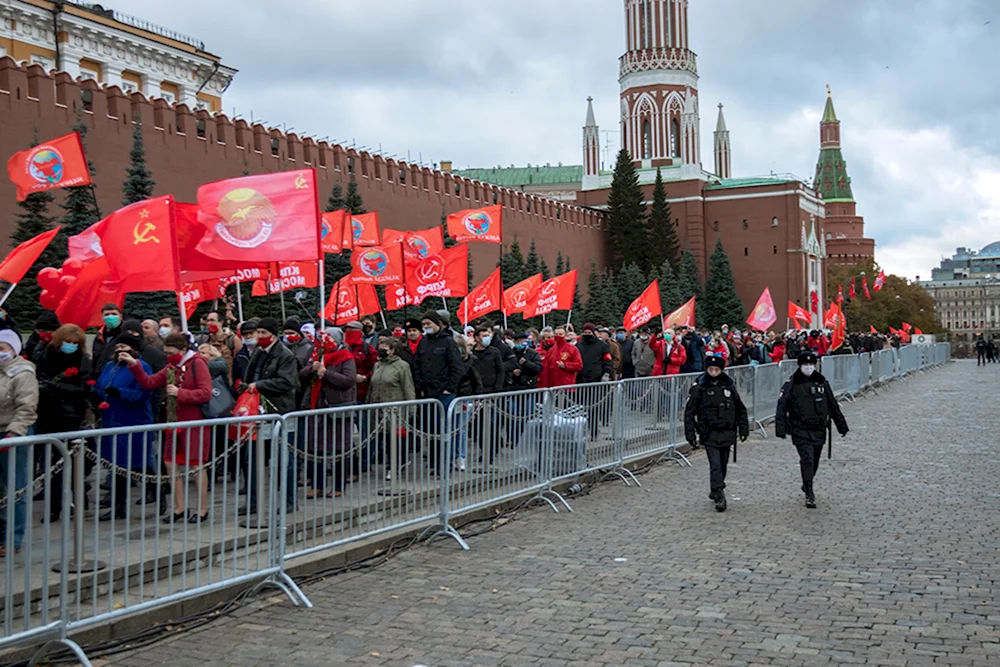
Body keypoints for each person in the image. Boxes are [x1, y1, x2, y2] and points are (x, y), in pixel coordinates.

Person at [123, 333, 213, 523]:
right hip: (174, 420)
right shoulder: (172, 367)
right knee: (170, 463)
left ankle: (202, 509)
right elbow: (150, 382)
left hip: (194, 421)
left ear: (183, 350)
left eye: (171, 352)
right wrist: (134, 364)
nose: (168, 356)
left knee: (196, 464)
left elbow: (205, 392)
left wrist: (181, 393)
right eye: (166, 353)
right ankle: (179, 507)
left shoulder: (197, 363)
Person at [775, 351, 849, 509]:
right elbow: (781, 407)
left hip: (819, 428)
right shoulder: (792, 384)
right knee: (807, 458)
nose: (808, 368)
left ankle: (806, 480)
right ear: (800, 366)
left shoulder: (821, 383)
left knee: (814, 460)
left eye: (811, 365)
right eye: (805, 365)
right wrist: (780, 429)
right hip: (800, 428)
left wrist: (841, 425)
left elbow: (832, 405)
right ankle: (809, 490)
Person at [95, 332, 157, 521]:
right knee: (116, 465)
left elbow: (142, 395)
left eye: (125, 348)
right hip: (112, 419)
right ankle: (119, 506)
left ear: (134, 350)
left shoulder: (142, 367)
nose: (120, 351)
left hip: (133, 420)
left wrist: (119, 392)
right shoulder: (109, 366)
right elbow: (101, 385)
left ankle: (158, 491)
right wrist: (95, 391)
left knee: (138, 464)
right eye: (118, 347)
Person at [243, 318, 300, 514]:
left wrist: (260, 386)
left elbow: (286, 381)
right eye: (257, 332)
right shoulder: (259, 353)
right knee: (253, 458)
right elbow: (251, 375)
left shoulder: (285, 355)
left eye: (263, 333)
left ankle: (289, 500)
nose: (259, 337)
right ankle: (253, 501)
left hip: (279, 411)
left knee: (284, 460)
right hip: (258, 411)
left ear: (273, 335)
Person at [35, 324, 92, 521]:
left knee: (73, 462)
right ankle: (53, 506)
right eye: (68, 342)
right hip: (48, 414)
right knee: (49, 465)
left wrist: (57, 386)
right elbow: (39, 376)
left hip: (70, 415)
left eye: (75, 343)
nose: (71, 346)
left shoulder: (82, 360)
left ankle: (78, 499)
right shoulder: (47, 355)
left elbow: (84, 388)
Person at [684, 356, 749, 512]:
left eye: (716, 370)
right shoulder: (699, 387)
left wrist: (743, 429)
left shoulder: (729, 386)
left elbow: (740, 408)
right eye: (711, 370)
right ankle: (720, 493)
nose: (713, 373)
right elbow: (689, 412)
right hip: (709, 432)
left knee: (723, 463)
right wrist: (690, 434)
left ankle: (715, 488)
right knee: (715, 464)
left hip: (727, 431)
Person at [299, 327, 356, 498]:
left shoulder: (346, 357)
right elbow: (301, 376)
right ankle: (318, 484)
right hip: (317, 406)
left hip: (337, 407)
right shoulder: (317, 354)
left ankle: (339, 486)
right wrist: (312, 369)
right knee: (315, 448)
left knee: (339, 449)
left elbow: (348, 380)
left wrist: (327, 374)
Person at [0, 330, 37, 556]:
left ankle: (13, 538)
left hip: (13, 434)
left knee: (16, 488)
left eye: (3, 348)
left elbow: (26, 408)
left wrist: (14, 433)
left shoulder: (22, 374)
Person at [413, 311, 464, 472]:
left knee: (445, 430)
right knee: (431, 430)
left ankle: (446, 464)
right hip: (428, 393)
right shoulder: (424, 342)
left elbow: (457, 367)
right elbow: (417, 365)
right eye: (424, 324)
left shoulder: (448, 342)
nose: (426, 327)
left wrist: (450, 388)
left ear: (437, 324)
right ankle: (435, 463)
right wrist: (420, 386)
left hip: (445, 393)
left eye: (429, 324)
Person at [368, 335, 416, 480]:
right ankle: (393, 463)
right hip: (379, 408)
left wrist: (411, 408)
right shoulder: (377, 365)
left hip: (396, 408)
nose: (381, 349)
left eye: (385, 347)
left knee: (394, 440)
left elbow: (408, 387)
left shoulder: (402, 366)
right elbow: (372, 385)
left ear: (393, 350)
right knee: (384, 438)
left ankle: (395, 465)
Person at [91, 303, 125, 373]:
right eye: (107, 315)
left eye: (114, 314)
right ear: (102, 317)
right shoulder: (99, 336)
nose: (110, 317)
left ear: (121, 316)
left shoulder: (126, 334)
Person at [471, 326, 504, 393]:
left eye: (488, 335)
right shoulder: (471, 354)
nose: (487, 338)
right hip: (475, 391)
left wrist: (498, 388)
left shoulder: (494, 352)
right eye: (484, 336)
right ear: (477, 338)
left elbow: (500, 370)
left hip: (491, 390)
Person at [233, 319, 259, 385]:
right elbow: (236, 374)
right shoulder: (239, 355)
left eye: (251, 333)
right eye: (245, 334)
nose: (248, 336)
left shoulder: (265, 352)